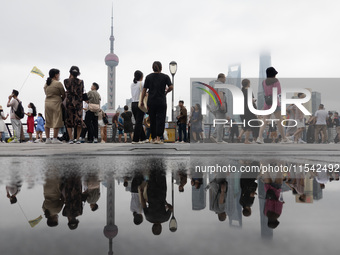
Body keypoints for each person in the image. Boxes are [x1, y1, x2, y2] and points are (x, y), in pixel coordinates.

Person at [256, 67, 292, 144]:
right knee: (279, 121)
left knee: (264, 121)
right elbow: (278, 92)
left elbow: (265, 93)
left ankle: (259, 138)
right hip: (275, 103)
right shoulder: (276, 81)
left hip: (267, 103)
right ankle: (284, 139)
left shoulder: (264, 82)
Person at [140, 61, 173, 144]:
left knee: (152, 120)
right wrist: (166, 92)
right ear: (161, 68)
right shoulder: (165, 77)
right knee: (161, 119)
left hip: (151, 101)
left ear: (152, 68)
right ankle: (159, 138)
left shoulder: (148, 77)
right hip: (161, 101)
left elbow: (144, 90)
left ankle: (153, 138)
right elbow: (171, 87)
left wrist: (141, 101)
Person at [44, 69, 66, 144]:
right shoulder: (58, 83)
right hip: (56, 102)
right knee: (57, 119)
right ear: (56, 75)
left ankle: (47, 138)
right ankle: (55, 138)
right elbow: (63, 94)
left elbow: (45, 93)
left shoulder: (46, 84)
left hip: (47, 102)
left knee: (48, 120)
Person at [64, 66, 84, 144]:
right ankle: (77, 139)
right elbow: (81, 91)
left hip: (70, 102)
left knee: (69, 120)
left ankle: (71, 138)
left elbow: (68, 88)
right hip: (78, 103)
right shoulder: (81, 81)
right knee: (79, 120)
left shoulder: (66, 81)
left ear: (70, 72)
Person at [209, 73, 228, 144]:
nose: (225, 79)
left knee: (219, 121)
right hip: (219, 105)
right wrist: (222, 103)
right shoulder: (220, 84)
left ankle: (215, 135)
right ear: (222, 78)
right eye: (225, 78)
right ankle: (218, 139)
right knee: (221, 121)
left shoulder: (213, 85)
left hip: (213, 106)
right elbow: (220, 93)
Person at [238, 79, 258, 144]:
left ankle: (241, 136)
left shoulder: (241, 91)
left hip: (242, 111)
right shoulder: (249, 91)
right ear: (248, 83)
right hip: (249, 110)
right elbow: (251, 101)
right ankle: (254, 139)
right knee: (254, 124)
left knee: (246, 124)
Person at [131, 70, 147, 144]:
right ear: (141, 77)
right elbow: (145, 92)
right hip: (140, 103)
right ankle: (135, 139)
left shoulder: (132, 84)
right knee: (139, 122)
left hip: (133, 104)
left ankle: (143, 138)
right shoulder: (141, 83)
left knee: (138, 121)